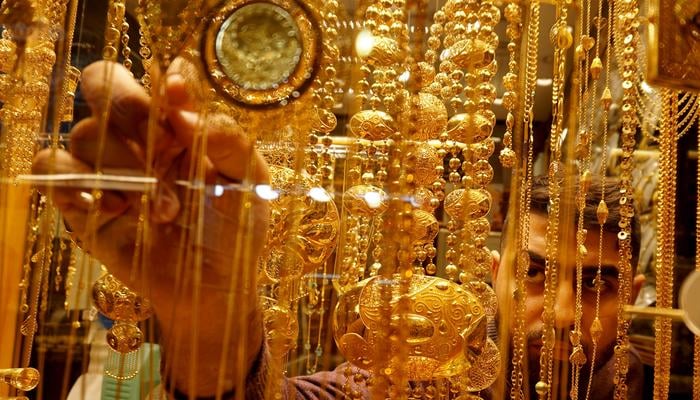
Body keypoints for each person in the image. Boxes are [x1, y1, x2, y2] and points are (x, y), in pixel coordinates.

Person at [34, 61, 646, 399]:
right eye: (536, 271)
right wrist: (210, 331)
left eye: (600, 283)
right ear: (494, 272)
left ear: (641, 290)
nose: (566, 314)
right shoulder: (396, 384)